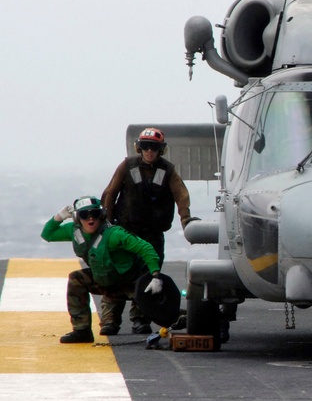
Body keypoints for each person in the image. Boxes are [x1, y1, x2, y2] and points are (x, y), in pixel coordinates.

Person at [100, 127, 196, 335]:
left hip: (152, 234)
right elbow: (110, 193)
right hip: (125, 233)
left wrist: (186, 219)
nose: (149, 151)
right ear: (139, 147)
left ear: (161, 150)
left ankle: (140, 319)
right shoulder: (127, 166)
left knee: (149, 277)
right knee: (117, 274)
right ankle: (110, 321)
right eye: (145, 146)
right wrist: (106, 224)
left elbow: (181, 194)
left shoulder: (167, 170)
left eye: (154, 147)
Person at [40, 196, 166, 344]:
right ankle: (82, 330)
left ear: (102, 215)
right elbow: (47, 235)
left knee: (164, 313)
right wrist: (59, 217)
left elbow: (146, 248)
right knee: (76, 278)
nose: (90, 219)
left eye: (94, 214)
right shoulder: (74, 232)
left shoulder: (115, 234)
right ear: (76, 218)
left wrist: (155, 276)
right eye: (84, 215)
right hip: (105, 282)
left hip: (131, 284)